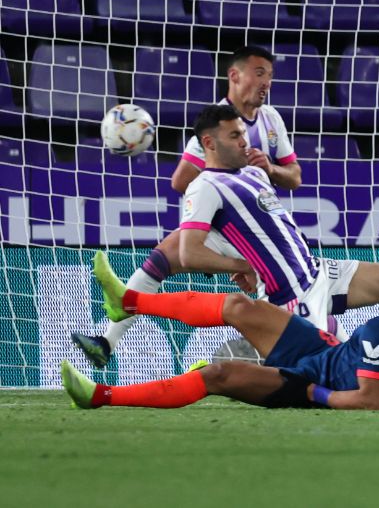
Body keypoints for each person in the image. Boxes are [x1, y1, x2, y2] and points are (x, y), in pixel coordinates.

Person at [82, 105, 379, 356]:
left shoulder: (254, 172)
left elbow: (272, 228)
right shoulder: (204, 187)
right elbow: (189, 252)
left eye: (243, 134)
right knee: (337, 378)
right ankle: (222, 363)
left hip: (319, 272)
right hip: (287, 299)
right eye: (235, 136)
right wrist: (245, 265)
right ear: (209, 143)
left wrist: (270, 171)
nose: (245, 142)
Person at [74, 45, 304, 367]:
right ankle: (107, 342)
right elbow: (181, 181)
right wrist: (226, 187)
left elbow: (294, 177)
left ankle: (241, 365)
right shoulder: (216, 127)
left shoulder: (271, 119)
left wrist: (269, 169)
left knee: (279, 316)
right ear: (235, 76)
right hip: (231, 225)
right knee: (165, 255)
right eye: (259, 73)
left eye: (270, 75)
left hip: (265, 229)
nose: (266, 82)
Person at [62, 245, 379, 411]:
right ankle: (129, 301)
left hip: (311, 379)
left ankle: (101, 396)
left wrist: (315, 392)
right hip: (324, 349)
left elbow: (369, 402)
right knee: (241, 305)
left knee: (217, 374)